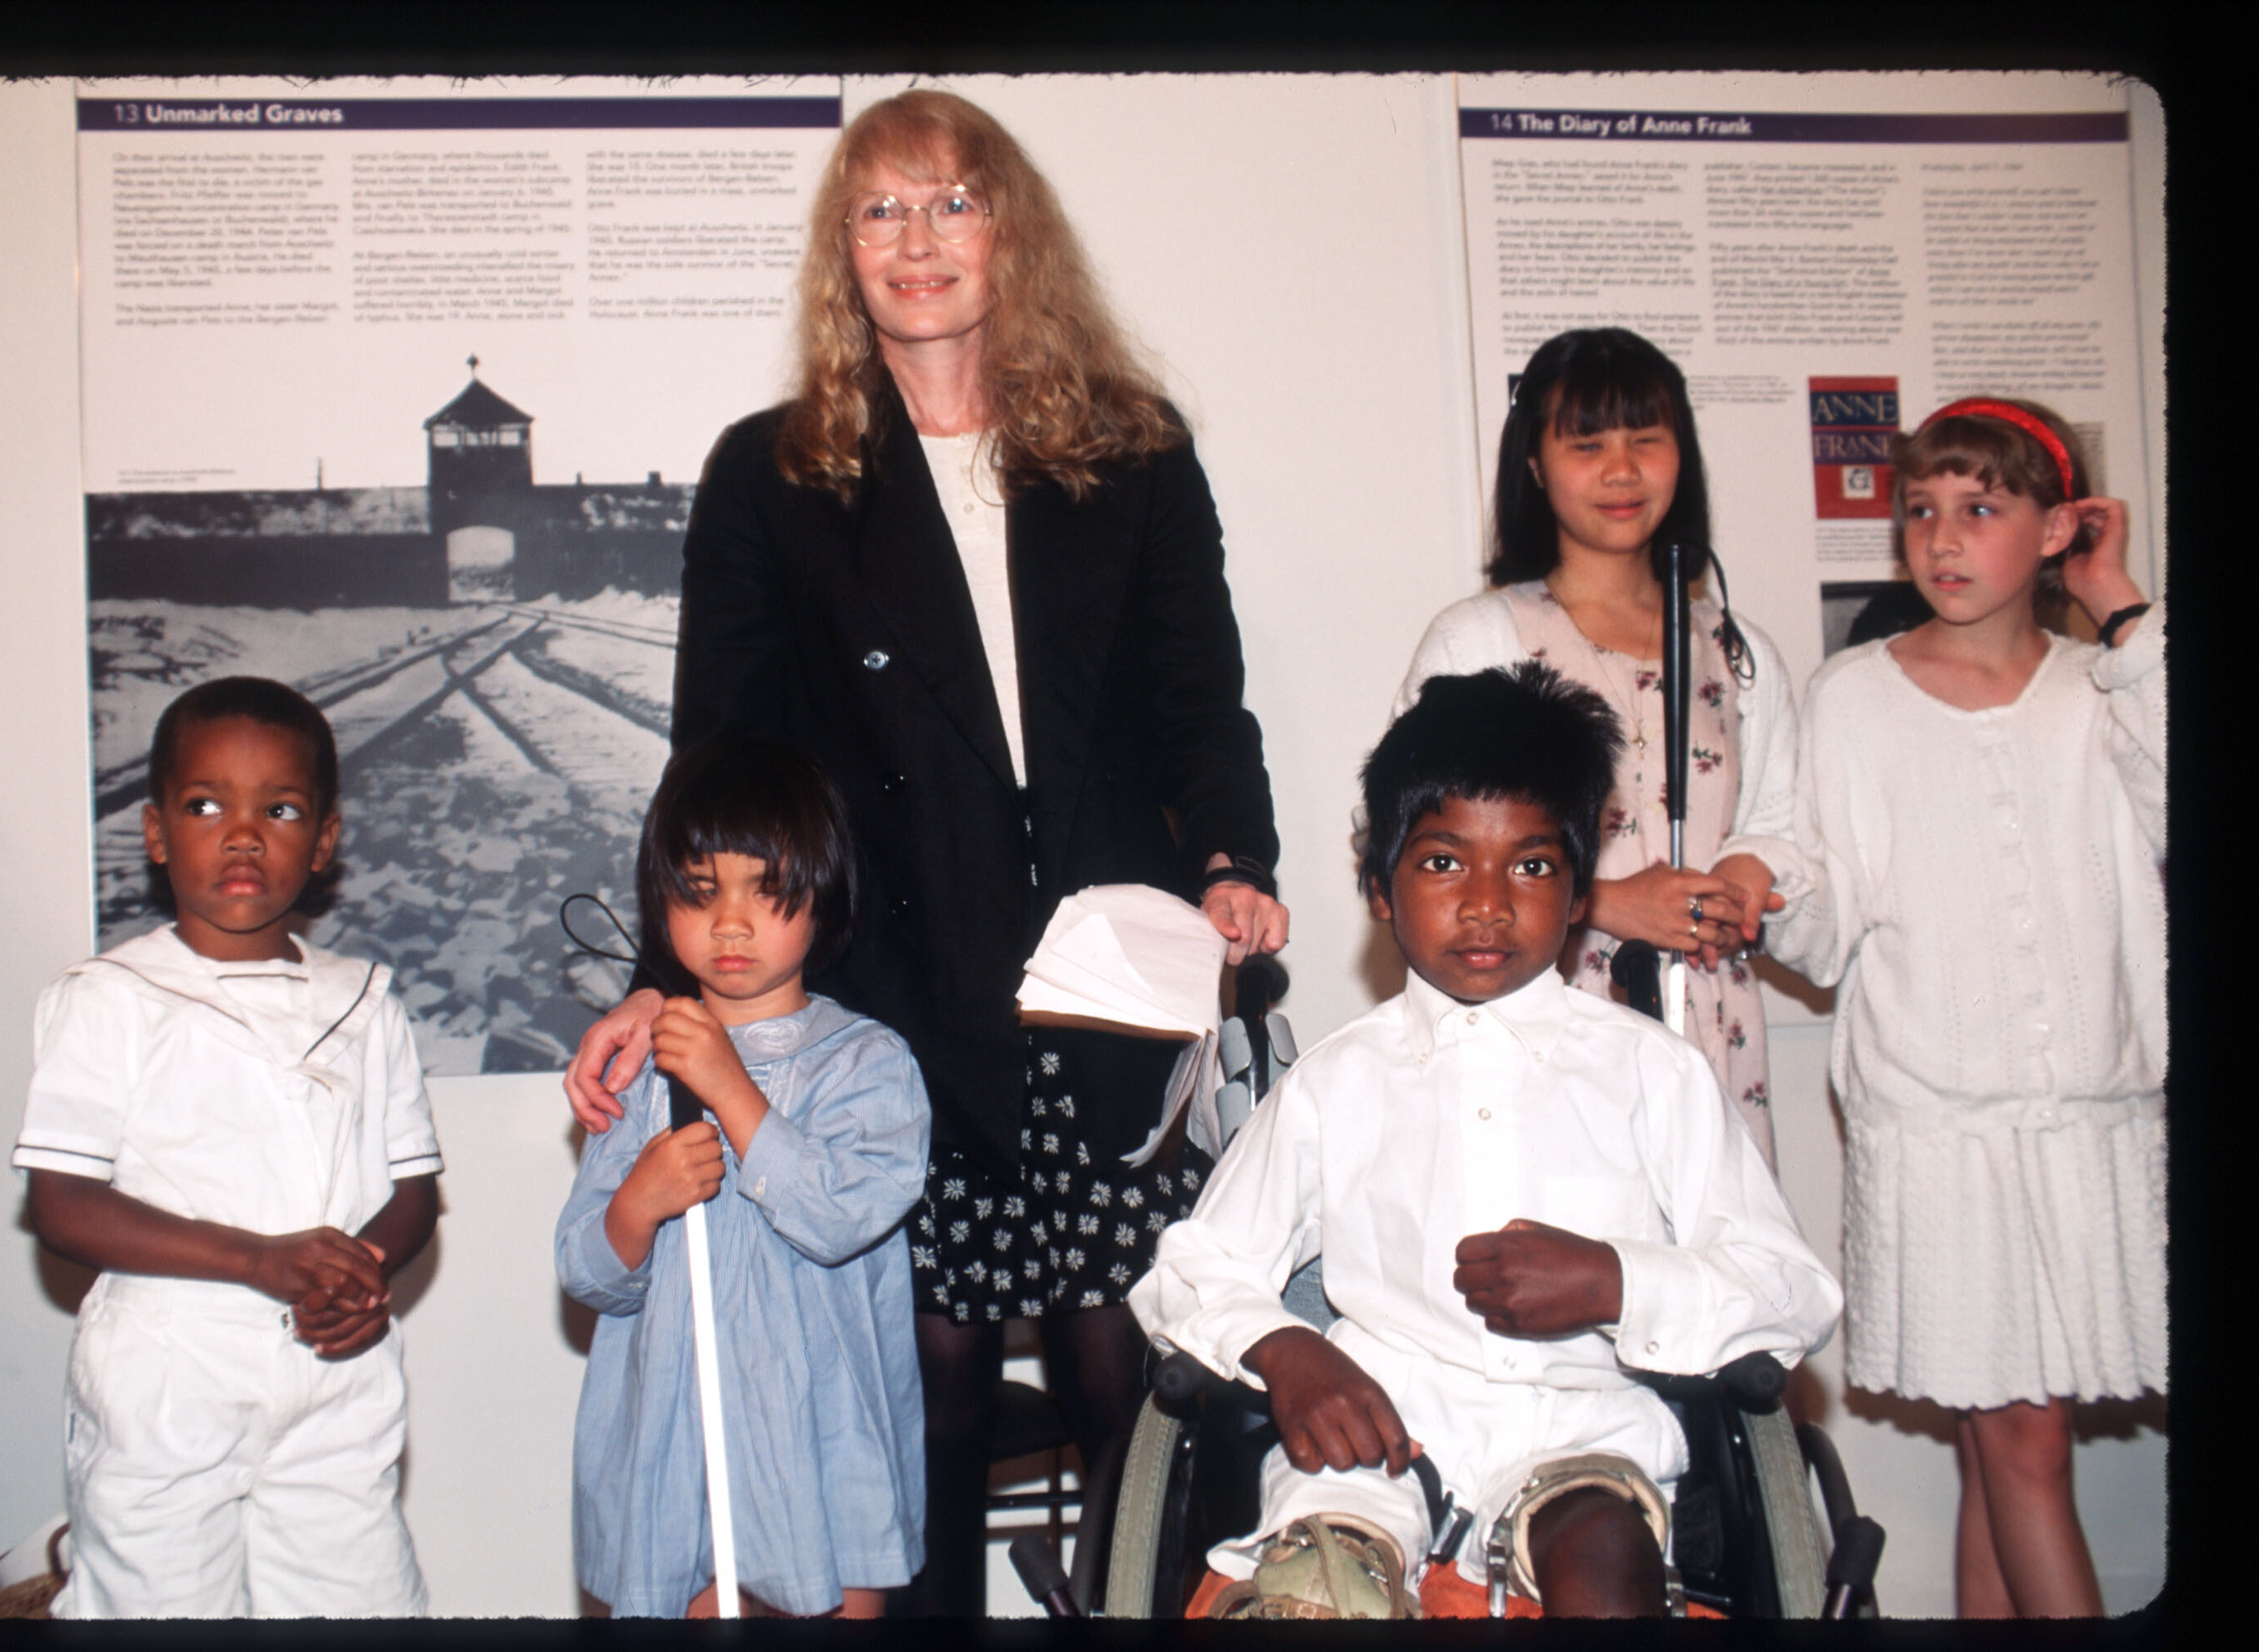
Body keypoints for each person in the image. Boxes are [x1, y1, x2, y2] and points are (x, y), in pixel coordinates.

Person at [561, 88, 1287, 1613]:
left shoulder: (1132, 453)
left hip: (1102, 982)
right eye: (881, 210)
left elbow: (1195, 695)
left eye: (951, 200)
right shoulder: (773, 474)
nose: (918, 238)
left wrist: (1228, 855)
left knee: (1120, 1390)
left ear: (1007, 228)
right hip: (894, 995)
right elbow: (721, 761)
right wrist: (660, 985)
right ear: (845, 251)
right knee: (927, 1407)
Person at [1131, 663, 1840, 1619]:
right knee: (1316, 1597)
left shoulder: (1650, 1072)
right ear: (1379, 888)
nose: (1487, 903)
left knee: (1605, 1561)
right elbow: (1191, 1268)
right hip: (1369, 1451)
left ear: (1582, 890)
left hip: (1577, 1438)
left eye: (1533, 866)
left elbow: (1792, 1289)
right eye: (1442, 862)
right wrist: (1285, 1350)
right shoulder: (1338, 1081)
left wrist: (1616, 1282)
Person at [1759, 398, 2164, 1618]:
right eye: (1921, 512)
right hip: (1937, 1133)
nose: (1943, 539)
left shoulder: (2109, 685)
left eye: (1981, 510)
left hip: (2083, 1124)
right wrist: (1761, 890)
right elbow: (1819, 918)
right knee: (2021, 1447)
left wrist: (2119, 600)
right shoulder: (1851, 696)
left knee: (2003, 1453)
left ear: (2055, 528)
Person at [14, 677, 439, 1617]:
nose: (243, 835)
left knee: (360, 1603)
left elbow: (413, 1193)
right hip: (170, 1372)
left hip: (332, 1369)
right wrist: (258, 1257)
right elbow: (63, 1204)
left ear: (323, 840)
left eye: (279, 809)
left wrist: (355, 1276)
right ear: (158, 832)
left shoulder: (364, 1001)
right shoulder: (108, 998)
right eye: (207, 806)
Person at [1392, 328, 1810, 1166]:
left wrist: (1746, 878)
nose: (1621, 472)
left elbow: (1784, 821)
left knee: (1707, 1267)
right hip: (1536, 1016)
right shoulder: (1481, 637)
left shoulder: (1737, 649)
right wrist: (1607, 903)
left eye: (1645, 441)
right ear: (1536, 465)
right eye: (1587, 445)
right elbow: (1405, 840)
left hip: (1707, 1021)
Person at [556, 736, 930, 1618]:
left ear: (823, 898)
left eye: (766, 891)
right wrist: (636, 1206)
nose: (730, 922)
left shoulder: (867, 1063)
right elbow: (585, 1272)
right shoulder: (639, 1067)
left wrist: (730, 1089)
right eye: (699, 891)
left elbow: (840, 1214)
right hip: (673, 1443)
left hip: (819, 1442)